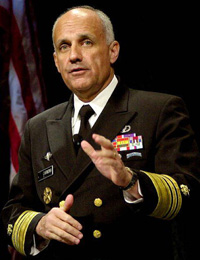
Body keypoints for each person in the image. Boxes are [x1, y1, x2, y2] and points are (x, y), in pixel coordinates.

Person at [1, 5, 200, 260]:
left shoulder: (159, 110)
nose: (74, 55)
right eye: (64, 46)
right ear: (56, 62)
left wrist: (130, 181)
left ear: (112, 51)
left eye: (86, 42)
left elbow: (187, 196)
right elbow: (15, 210)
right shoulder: (37, 127)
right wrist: (40, 225)